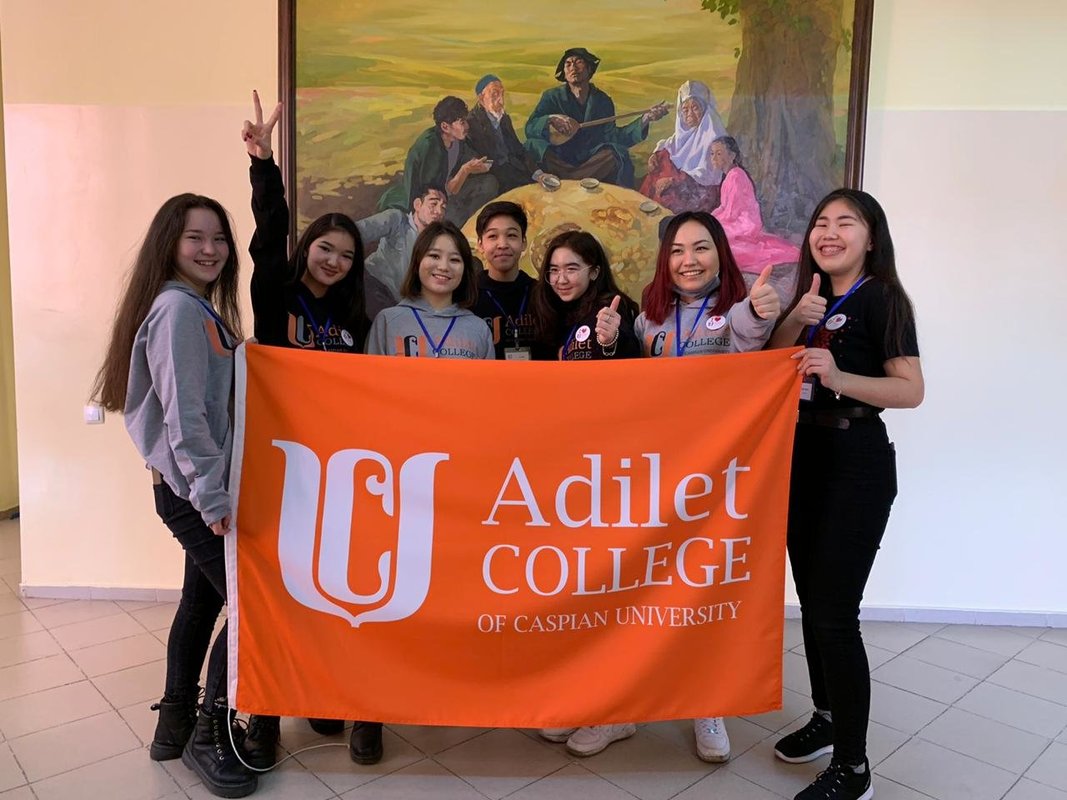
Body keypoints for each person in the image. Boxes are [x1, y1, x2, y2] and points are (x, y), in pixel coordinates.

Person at [91, 195, 257, 798]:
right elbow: (187, 419)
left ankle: (174, 726)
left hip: (190, 488)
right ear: (170, 243)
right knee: (254, 605)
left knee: (200, 603)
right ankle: (210, 736)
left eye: (219, 239)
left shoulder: (192, 307)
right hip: (195, 495)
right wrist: (213, 500)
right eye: (195, 238)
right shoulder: (179, 311)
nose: (210, 250)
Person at [768, 189, 924, 800]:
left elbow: (910, 390)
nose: (829, 233)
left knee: (835, 615)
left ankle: (853, 768)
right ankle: (827, 717)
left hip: (855, 462)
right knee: (813, 604)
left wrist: (838, 376)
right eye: (821, 223)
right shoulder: (811, 298)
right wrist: (793, 319)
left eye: (846, 223)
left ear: (870, 237)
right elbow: (773, 365)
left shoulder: (883, 296)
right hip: (802, 460)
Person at [240, 90, 378, 766]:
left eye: (347, 255)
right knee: (276, 596)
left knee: (335, 593)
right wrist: (263, 166)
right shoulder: (277, 297)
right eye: (326, 248)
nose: (334, 261)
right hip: (280, 472)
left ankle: (331, 696)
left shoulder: (356, 321)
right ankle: (264, 717)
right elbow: (267, 238)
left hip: (340, 478)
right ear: (308, 248)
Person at [524, 47, 669, 188]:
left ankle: (570, 181)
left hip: (590, 161)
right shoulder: (552, 97)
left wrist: (646, 119)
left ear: (589, 69)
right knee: (532, 145)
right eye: (568, 64)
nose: (573, 67)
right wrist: (550, 119)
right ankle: (578, 181)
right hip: (559, 158)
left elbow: (613, 136)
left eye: (578, 62)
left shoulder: (602, 100)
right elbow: (530, 128)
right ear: (564, 72)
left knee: (614, 153)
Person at [366, 220, 495, 359]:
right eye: (434, 256)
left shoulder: (479, 329)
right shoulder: (387, 322)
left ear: (465, 270)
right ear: (417, 262)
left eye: (454, 260)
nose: (443, 267)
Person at [377, 96, 498, 226]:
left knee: (489, 183)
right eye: (462, 122)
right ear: (445, 127)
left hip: (446, 193)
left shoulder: (457, 141)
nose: (467, 126)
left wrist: (476, 166)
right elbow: (432, 192)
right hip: (424, 201)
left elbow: (468, 160)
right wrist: (465, 170)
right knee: (451, 216)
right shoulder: (430, 146)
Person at [529, 231, 640, 362]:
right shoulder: (550, 307)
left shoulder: (608, 308)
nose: (561, 280)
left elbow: (630, 354)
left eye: (571, 269)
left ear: (594, 272)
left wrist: (612, 341)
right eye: (554, 270)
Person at [710, 136, 800, 276]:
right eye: (712, 153)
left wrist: (714, 222)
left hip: (744, 223)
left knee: (720, 241)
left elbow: (732, 213)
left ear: (732, 156)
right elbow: (724, 207)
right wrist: (710, 218)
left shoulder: (736, 176)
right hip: (733, 219)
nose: (714, 158)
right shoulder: (729, 177)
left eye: (719, 153)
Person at [357, 183, 447, 319]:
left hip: (398, 304)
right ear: (417, 204)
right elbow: (357, 231)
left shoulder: (438, 244)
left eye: (443, 207)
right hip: (372, 284)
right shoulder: (397, 219)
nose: (439, 211)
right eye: (433, 204)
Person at [639, 81, 727, 213]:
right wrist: (655, 155)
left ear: (705, 109)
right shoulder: (685, 133)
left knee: (667, 199)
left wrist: (674, 180)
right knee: (662, 158)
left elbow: (709, 174)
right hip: (681, 180)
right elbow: (670, 144)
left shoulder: (715, 136)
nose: (689, 113)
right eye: (685, 110)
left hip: (700, 189)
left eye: (695, 108)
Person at [466, 75, 557, 193]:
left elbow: (518, 149)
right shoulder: (470, 123)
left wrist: (539, 174)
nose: (501, 101)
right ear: (481, 98)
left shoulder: (504, 118)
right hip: (493, 178)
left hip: (512, 170)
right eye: (494, 94)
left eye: (502, 94)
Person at [473, 201, 537, 360]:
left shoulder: (542, 294)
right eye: (492, 236)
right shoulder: (468, 296)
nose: (502, 245)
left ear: (523, 242)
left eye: (511, 235)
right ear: (480, 244)